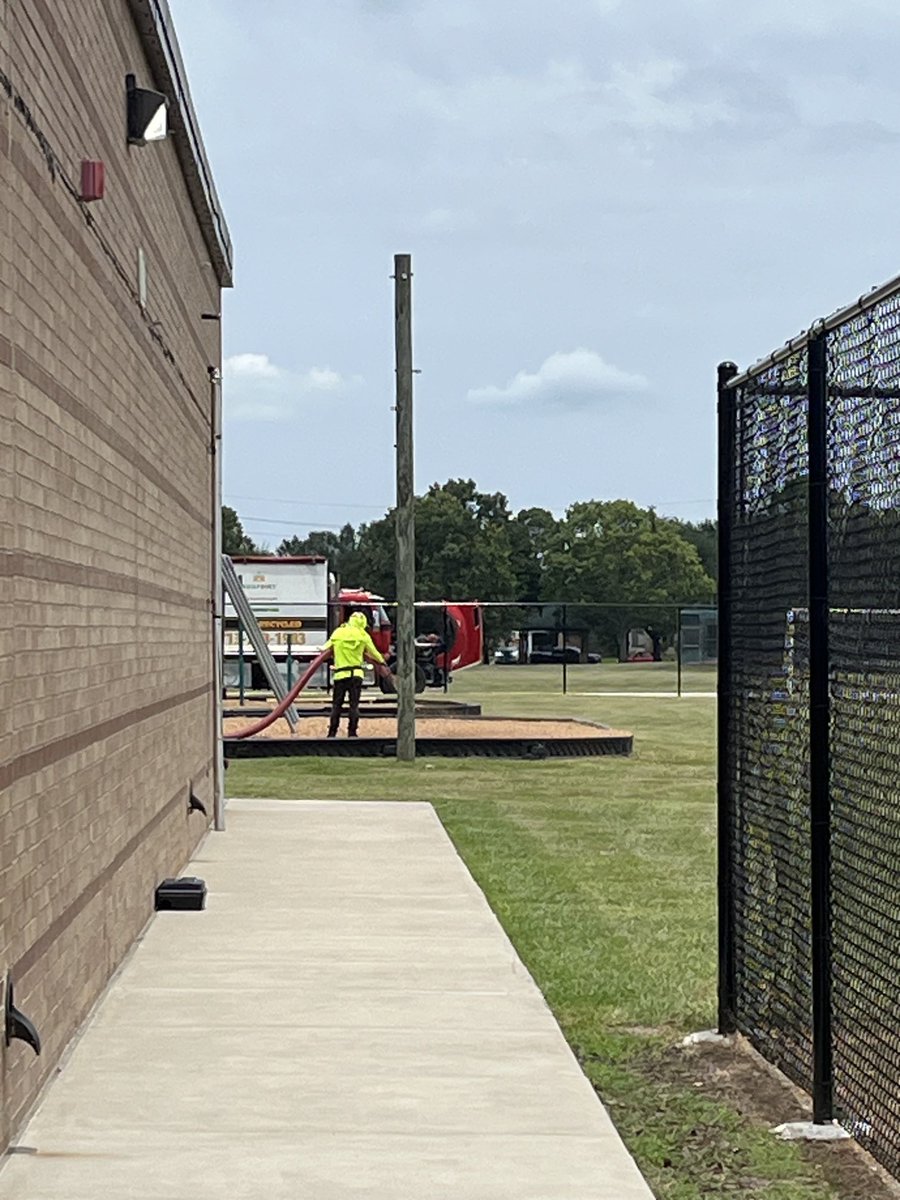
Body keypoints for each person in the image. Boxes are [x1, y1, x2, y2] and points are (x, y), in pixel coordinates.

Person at [323, 611, 388, 738]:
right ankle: (352, 732)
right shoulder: (363, 635)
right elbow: (374, 653)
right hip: (356, 675)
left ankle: (332, 733)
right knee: (354, 705)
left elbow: (325, 648)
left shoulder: (338, 633)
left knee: (336, 706)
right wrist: (382, 662)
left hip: (340, 675)